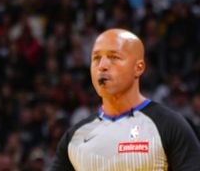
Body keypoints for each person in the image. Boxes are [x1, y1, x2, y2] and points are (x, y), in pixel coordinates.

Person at [49, 28, 200, 170]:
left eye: (114, 57)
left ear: (138, 68)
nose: (102, 66)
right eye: (96, 58)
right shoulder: (75, 136)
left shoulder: (169, 125)